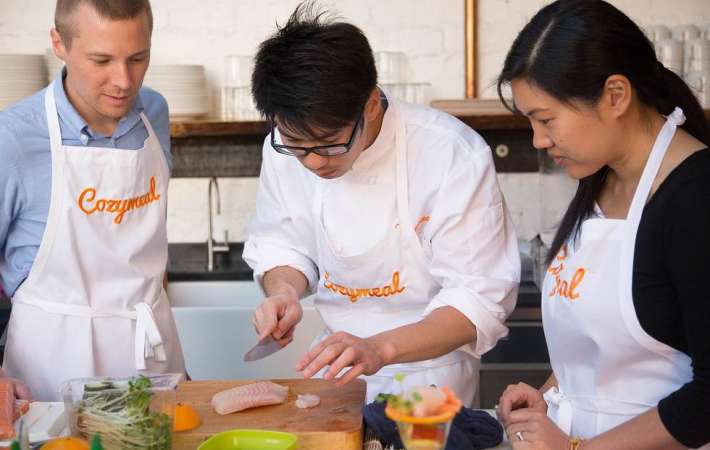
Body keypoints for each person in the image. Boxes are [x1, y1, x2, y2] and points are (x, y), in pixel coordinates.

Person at [243, 3, 520, 405]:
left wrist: (379, 348)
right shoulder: (283, 147)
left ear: (371, 104)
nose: (314, 162)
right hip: (335, 374)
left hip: (432, 381)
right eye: (297, 147)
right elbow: (283, 244)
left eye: (330, 144)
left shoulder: (451, 153)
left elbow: (478, 299)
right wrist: (284, 291)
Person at [494, 1, 710, 449]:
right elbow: (607, 346)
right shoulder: (600, 178)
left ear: (615, 95)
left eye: (546, 119)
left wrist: (578, 449)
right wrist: (550, 394)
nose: (538, 140)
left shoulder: (696, 197)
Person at [0, 0, 186, 403]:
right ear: (59, 43)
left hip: (153, 363)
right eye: (101, 60)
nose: (123, 81)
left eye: (137, 58)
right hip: (50, 373)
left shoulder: (154, 111)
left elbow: (145, 251)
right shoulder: (12, 139)